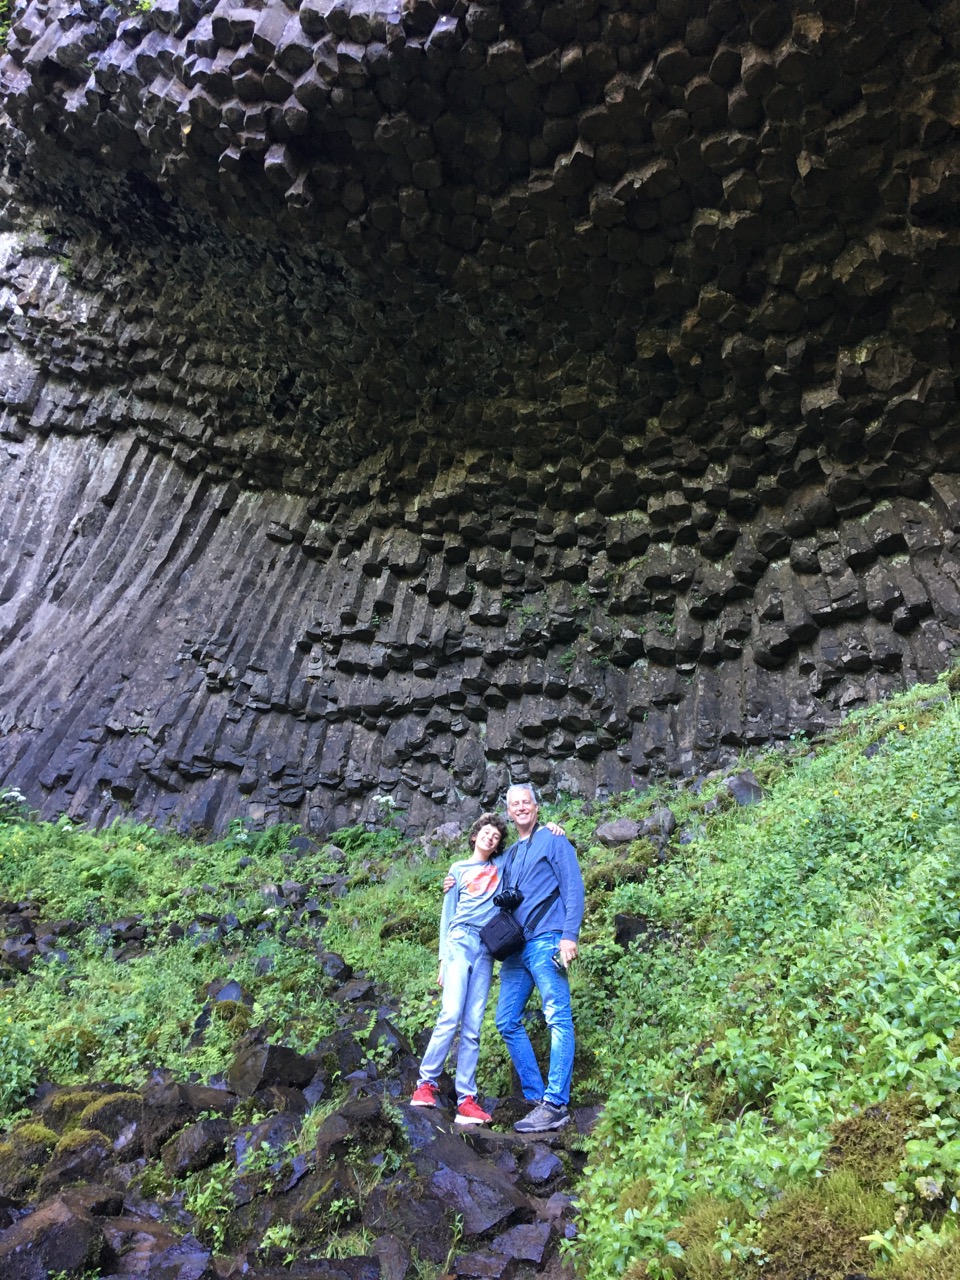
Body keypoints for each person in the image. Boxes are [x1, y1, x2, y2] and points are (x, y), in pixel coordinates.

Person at [495, 783, 584, 1133]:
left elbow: (573, 886)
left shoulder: (554, 839)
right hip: (515, 949)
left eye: (525, 802)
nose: (520, 808)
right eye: (514, 804)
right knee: (506, 1021)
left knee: (557, 1017)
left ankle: (556, 1102)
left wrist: (569, 935)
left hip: (548, 939)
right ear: (509, 811)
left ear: (536, 806)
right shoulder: (511, 854)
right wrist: (453, 880)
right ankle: (535, 1097)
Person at [411, 813, 508, 1126]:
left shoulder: (502, 866)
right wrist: (442, 960)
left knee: (474, 1024)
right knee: (451, 1013)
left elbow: (527, 845)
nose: (490, 838)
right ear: (475, 835)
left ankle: (466, 1099)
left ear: (497, 845)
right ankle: (425, 1084)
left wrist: (550, 827)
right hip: (460, 940)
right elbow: (447, 915)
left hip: (486, 946)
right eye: (486, 832)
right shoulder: (456, 870)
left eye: (495, 836)